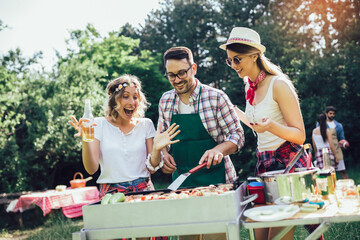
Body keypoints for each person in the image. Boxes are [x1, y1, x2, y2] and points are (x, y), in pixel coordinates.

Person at [220, 27, 312, 240]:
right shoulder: (248, 85)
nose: (233, 66)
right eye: (230, 61)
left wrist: (270, 126)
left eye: (237, 59)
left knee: (275, 237)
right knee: (258, 235)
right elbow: (257, 124)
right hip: (265, 165)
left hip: (287, 166)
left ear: (254, 56)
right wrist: (235, 112)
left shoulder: (279, 84)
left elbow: (300, 136)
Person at [157, 46, 245, 240]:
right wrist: (164, 154)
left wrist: (219, 149)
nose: (177, 80)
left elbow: (238, 135)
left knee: (217, 236)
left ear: (194, 68)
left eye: (182, 73)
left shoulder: (216, 97)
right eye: (171, 75)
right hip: (182, 183)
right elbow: (161, 137)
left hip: (217, 182)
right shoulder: (165, 101)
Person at [69, 74, 177, 199]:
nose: (132, 102)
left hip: (143, 190)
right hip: (111, 193)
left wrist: (157, 149)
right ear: (114, 100)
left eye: (135, 97)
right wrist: (85, 139)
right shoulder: (97, 124)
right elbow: (91, 169)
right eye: (125, 97)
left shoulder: (146, 124)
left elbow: (152, 168)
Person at [324, 106, 349, 179]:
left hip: (337, 150)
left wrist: (344, 144)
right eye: (330, 113)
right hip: (326, 150)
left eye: (333, 114)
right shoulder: (321, 124)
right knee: (328, 172)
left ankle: (347, 186)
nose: (332, 115)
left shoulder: (338, 125)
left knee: (342, 170)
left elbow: (341, 138)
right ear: (326, 114)